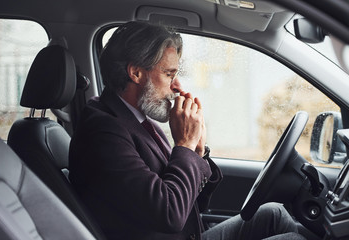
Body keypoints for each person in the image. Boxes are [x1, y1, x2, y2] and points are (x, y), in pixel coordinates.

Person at [69, 21, 305, 240]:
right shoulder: (103, 131)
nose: (177, 86)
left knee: (273, 214)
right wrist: (185, 145)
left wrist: (198, 150)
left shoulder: (138, 119)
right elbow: (170, 214)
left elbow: (194, 205)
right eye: (169, 74)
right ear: (136, 73)